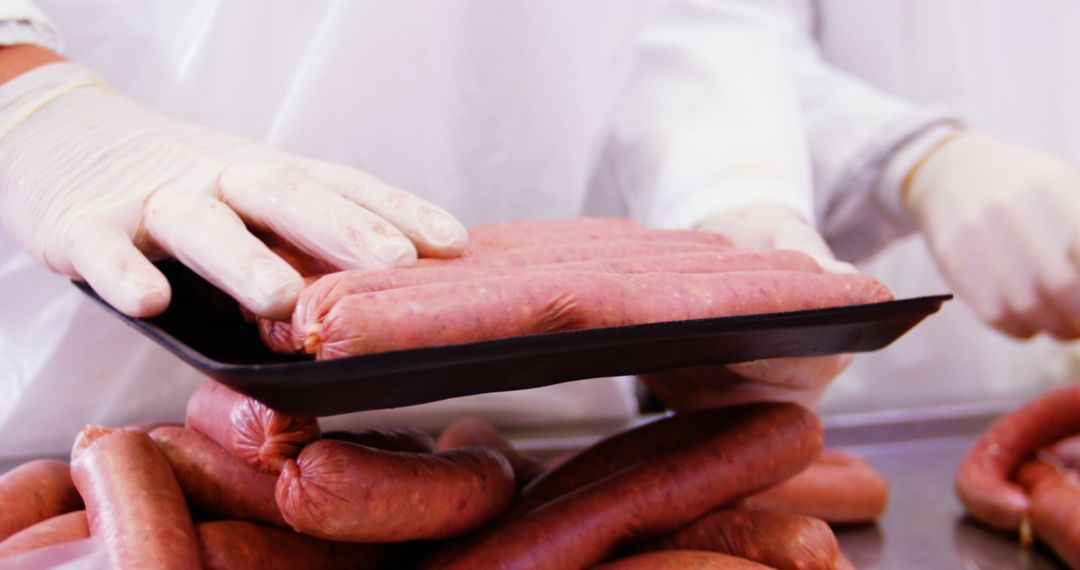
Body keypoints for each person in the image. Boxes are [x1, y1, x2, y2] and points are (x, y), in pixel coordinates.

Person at [0, 0, 857, 456]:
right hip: (68, 410)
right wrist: (24, 96)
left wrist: (727, 190)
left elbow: (682, 16)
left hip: (543, 449)